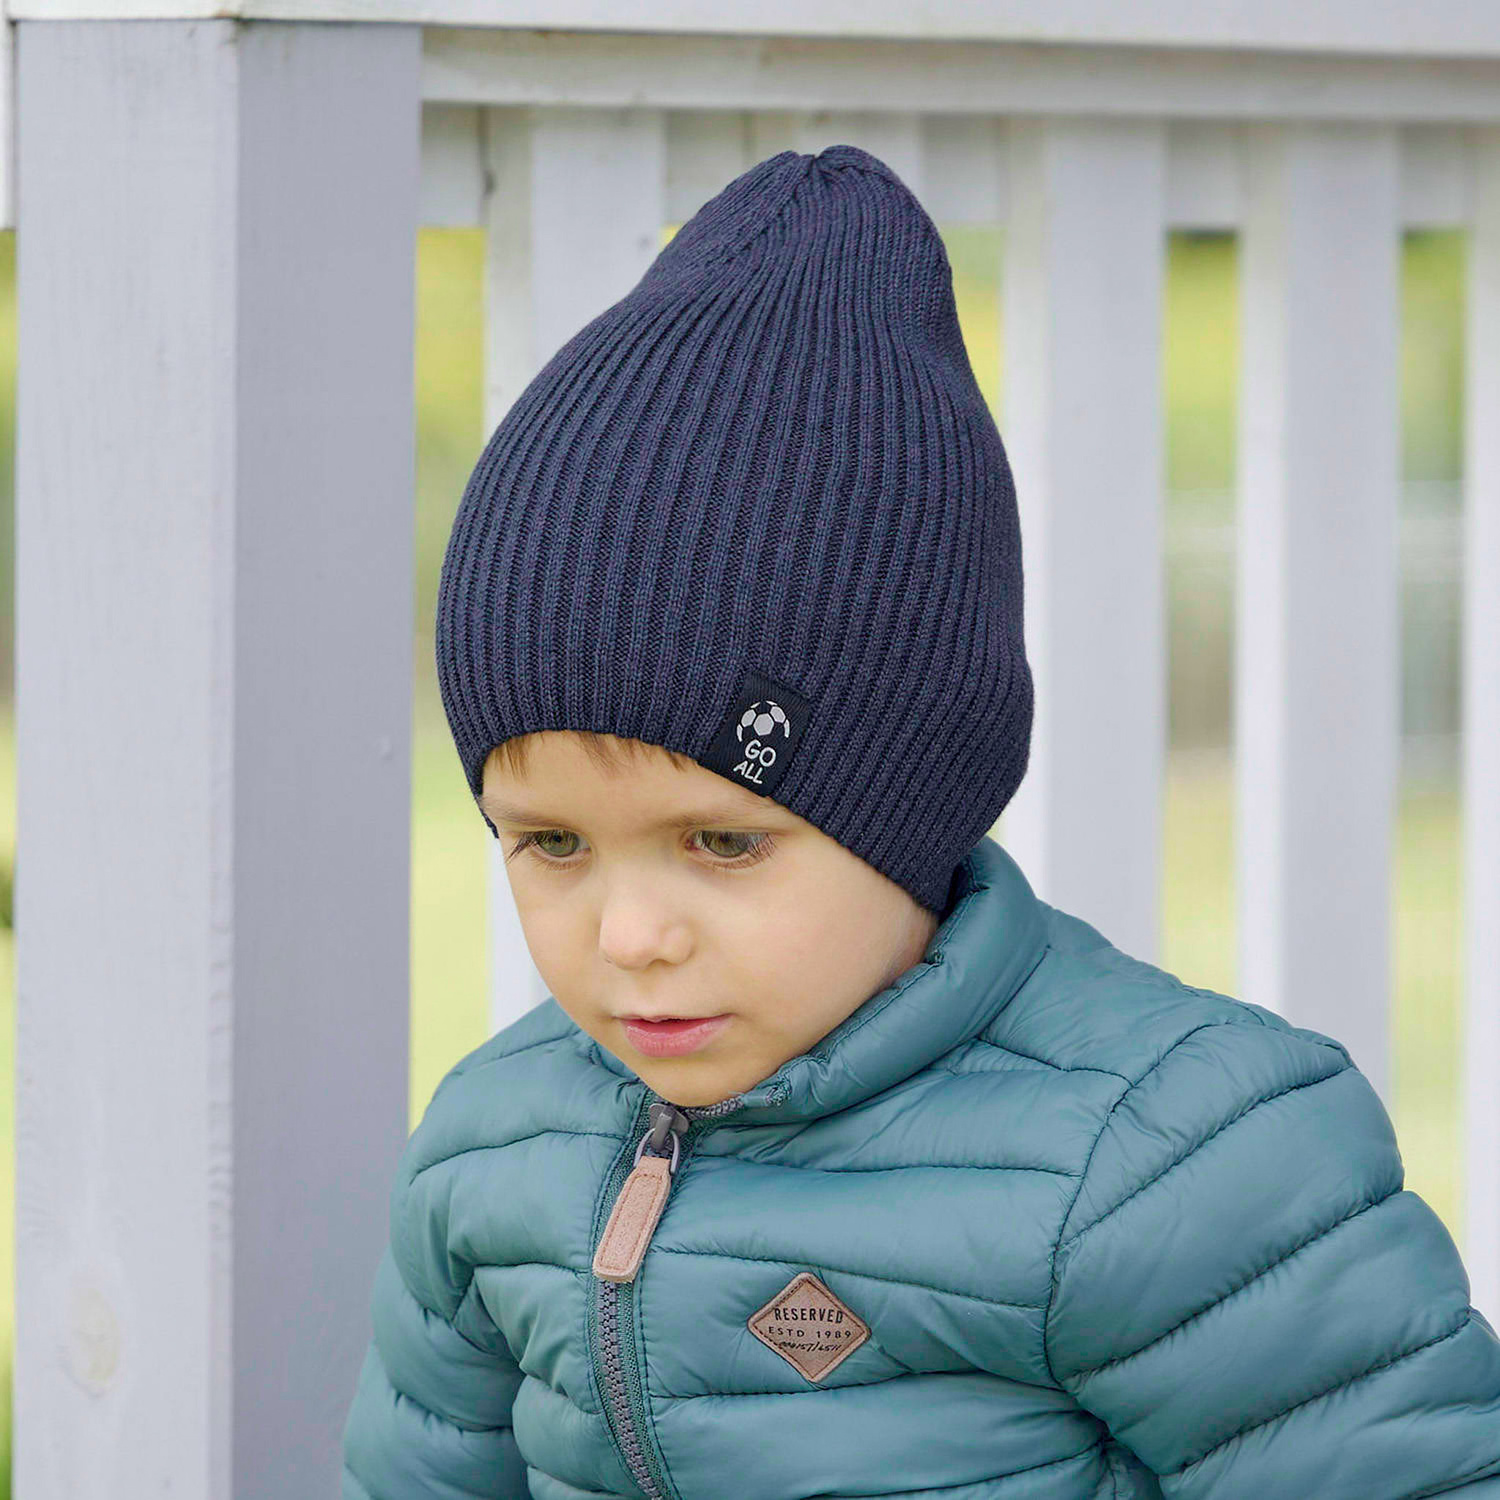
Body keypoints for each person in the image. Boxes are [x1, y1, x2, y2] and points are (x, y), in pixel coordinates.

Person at [340, 144, 1500, 1499]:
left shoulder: (1170, 1159)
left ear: (910, 802)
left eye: (723, 841)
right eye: (552, 843)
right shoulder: (495, 1149)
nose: (632, 934)